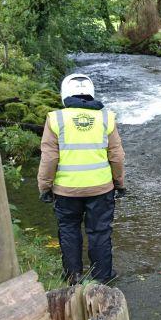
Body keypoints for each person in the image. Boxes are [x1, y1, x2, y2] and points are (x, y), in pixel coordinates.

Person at [37, 73, 126, 285]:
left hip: (65, 190)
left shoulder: (55, 119)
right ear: (91, 92)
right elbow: (117, 156)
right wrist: (120, 183)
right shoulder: (106, 118)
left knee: (69, 230)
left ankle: (73, 276)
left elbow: (49, 158)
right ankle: (102, 276)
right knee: (100, 232)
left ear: (64, 93)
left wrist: (44, 187)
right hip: (101, 189)